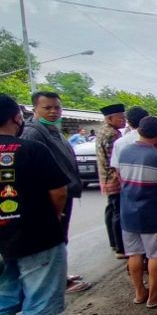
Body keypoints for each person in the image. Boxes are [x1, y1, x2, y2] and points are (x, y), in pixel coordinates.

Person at [0, 94, 71, 315]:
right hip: (38, 237)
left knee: (4, 299)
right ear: (16, 117)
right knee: (42, 302)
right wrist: (54, 217)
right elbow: (59, 192)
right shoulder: (32, 148)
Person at [22, 91, 90, 293]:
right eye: (47, 108)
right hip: (51, 196)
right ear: (35, 109)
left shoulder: (53, 130)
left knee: (60, 239)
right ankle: (57, 283)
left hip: (63, 192)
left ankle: (61, 274)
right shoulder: (32, 133)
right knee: (52, 241)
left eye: (56, 107)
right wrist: (52, 205)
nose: (53, 112)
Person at [117, 116, 157, 309]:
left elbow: (120, 176)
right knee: (155, 255)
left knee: (134, 254)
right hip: (152, 212)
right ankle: (153, 296)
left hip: (127, 211)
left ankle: (139, 293)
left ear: (139, 131)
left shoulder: (124, 151)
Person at [96, 103, 128, 259]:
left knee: (111, 210)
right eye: (121, 117)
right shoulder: (112, 135)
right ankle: (120, 247)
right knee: (118, 212)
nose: (124, 120)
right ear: (110, 118)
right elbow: (114, 161)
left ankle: (113, 242)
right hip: (113, 179)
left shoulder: (103, 130)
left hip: (105, 178)